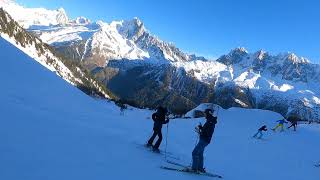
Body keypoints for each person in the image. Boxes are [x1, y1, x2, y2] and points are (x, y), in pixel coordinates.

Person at [192, 108, 217, 173]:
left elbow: (208, 133)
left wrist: (200, 132)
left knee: (194, 153)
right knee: (200, 154)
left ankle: (194, 169)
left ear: (208, 114)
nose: (204, 115)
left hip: (204, 140)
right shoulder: (210, 120)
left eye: (205, 113)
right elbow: (206, 130)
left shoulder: (210, 122)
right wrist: (201, 128)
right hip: (204, 140)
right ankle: (200, 168)